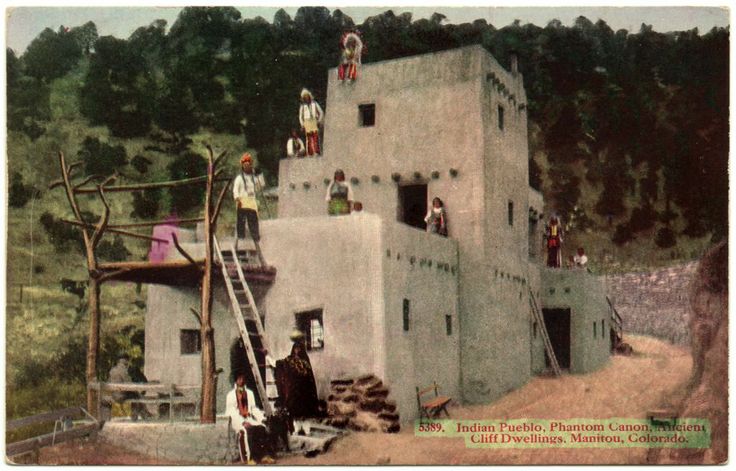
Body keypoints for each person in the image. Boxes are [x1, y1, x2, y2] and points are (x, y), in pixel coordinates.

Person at [275, 330, 321, 436]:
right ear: (293, 349)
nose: (297, 351)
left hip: (304, 390)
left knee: (305, 410)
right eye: (295, 349)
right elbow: (280, 364)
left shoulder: (305, 361)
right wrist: (268, 357)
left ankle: (306, 429)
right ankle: (296, 428)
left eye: (299, 349)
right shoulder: (290, 360)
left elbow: (309, 376)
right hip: (295, 390)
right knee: (295, 410)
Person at [226, 372, 274, 464]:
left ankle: (264, 455)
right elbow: (232, 412)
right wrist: (242, 422)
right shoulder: (231, 395)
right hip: (238, 420)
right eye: (239, 379)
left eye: (243, 378)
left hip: (249, 418)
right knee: (248, 430)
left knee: (261, 428)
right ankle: (249, 458)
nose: (241, 381)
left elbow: (253, 408)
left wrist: (261, 418)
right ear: (236, 380)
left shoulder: (249, 393)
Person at [232, 153, 266, 264]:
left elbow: (262, 184)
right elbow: (235, 190)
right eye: (245, 165)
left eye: (249, 164)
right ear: (242, 166)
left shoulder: (253, 178)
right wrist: (237, 199)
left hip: (251, 204)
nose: (247, 167)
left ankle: (260, 254)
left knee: (254, 228)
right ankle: (235, 249)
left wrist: (259, 174)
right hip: (242, 203)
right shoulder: (239, 178)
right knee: (240, 226)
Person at [108, 356, 150, 420]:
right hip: (121, 396)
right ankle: (138, 416)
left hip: (113, 395)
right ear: (124, 361)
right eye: (126, 361)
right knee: (136, 396)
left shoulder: (112, 370)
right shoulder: (124, 371)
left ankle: (144, 413)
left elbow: (109, 381)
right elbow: (129, 384)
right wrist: (137, 388)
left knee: (136, 395)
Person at [298, 89, 324, 156]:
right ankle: (310, 152)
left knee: (315, 136)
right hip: (307, 122)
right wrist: (302, 125)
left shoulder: (314, 104)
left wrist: (319, 121)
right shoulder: (302, 106)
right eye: (304, 97)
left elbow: (321, 112)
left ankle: (316, 151)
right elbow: (300, 117)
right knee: (309, 138)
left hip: (314, 121)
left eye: (307, 96)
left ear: (309, 96)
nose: (306, 98)